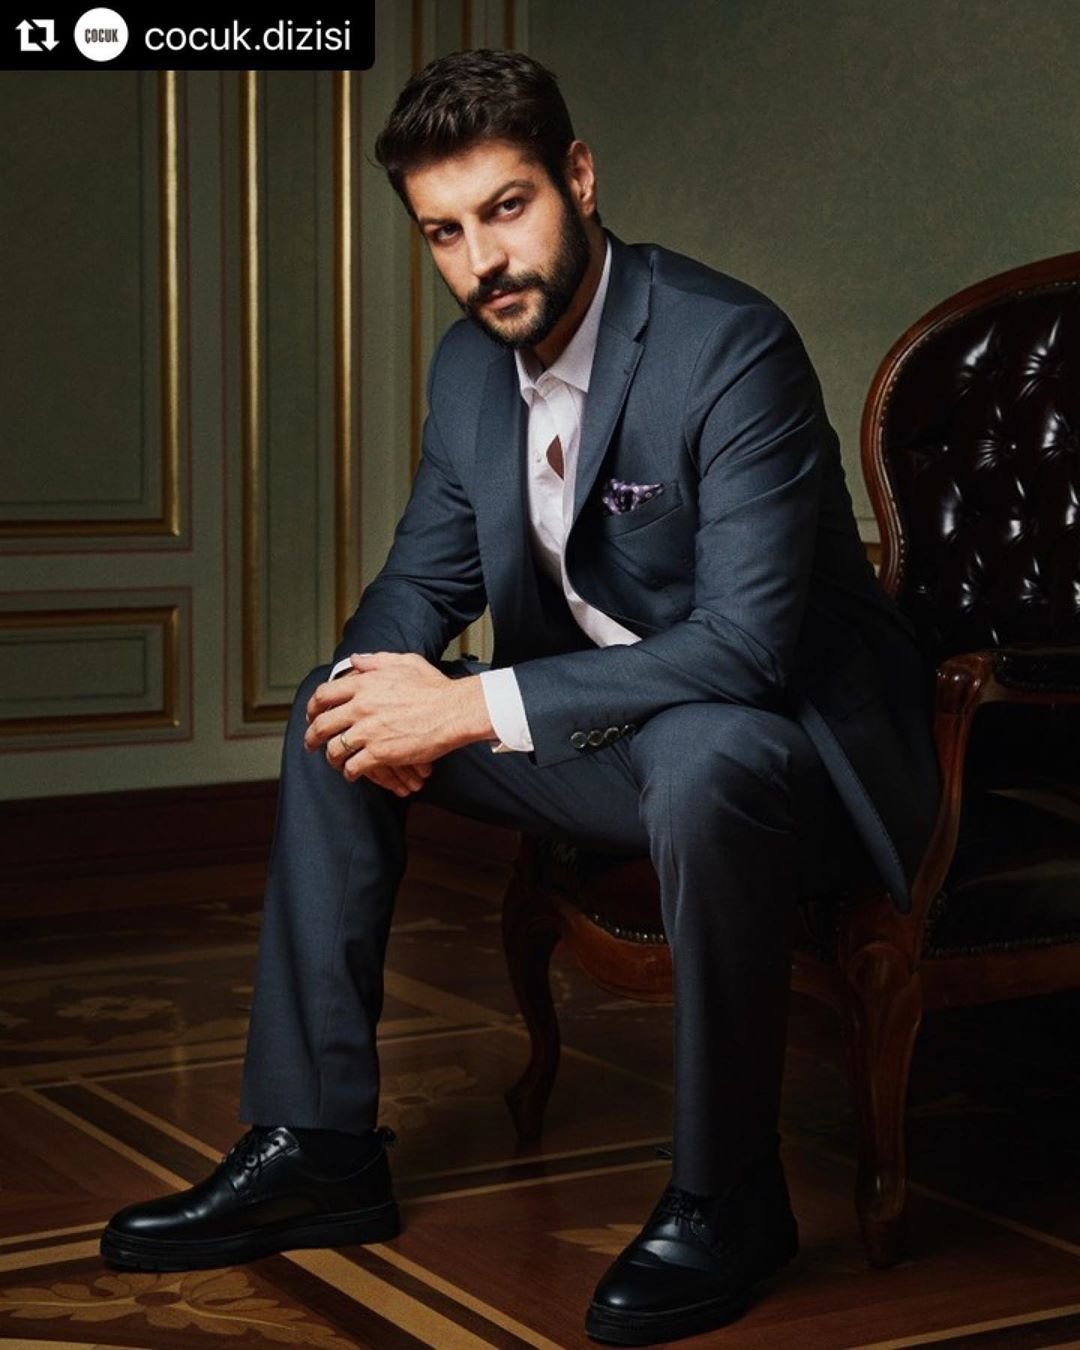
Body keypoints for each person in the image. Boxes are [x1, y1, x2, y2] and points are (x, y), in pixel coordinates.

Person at [99, 48, 940, 1346]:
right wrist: (381, 694)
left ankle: (731, 1195)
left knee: (705, 752)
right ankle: (318, 1147)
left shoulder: (727, 346)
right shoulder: (466, 372)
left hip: (787, 758)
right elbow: (416, 584)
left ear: (579, 178)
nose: (483, 260)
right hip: (605, 739)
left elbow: (747, 650)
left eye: (506, 208)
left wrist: (471, 704)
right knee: (336, 705)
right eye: (444, 231)